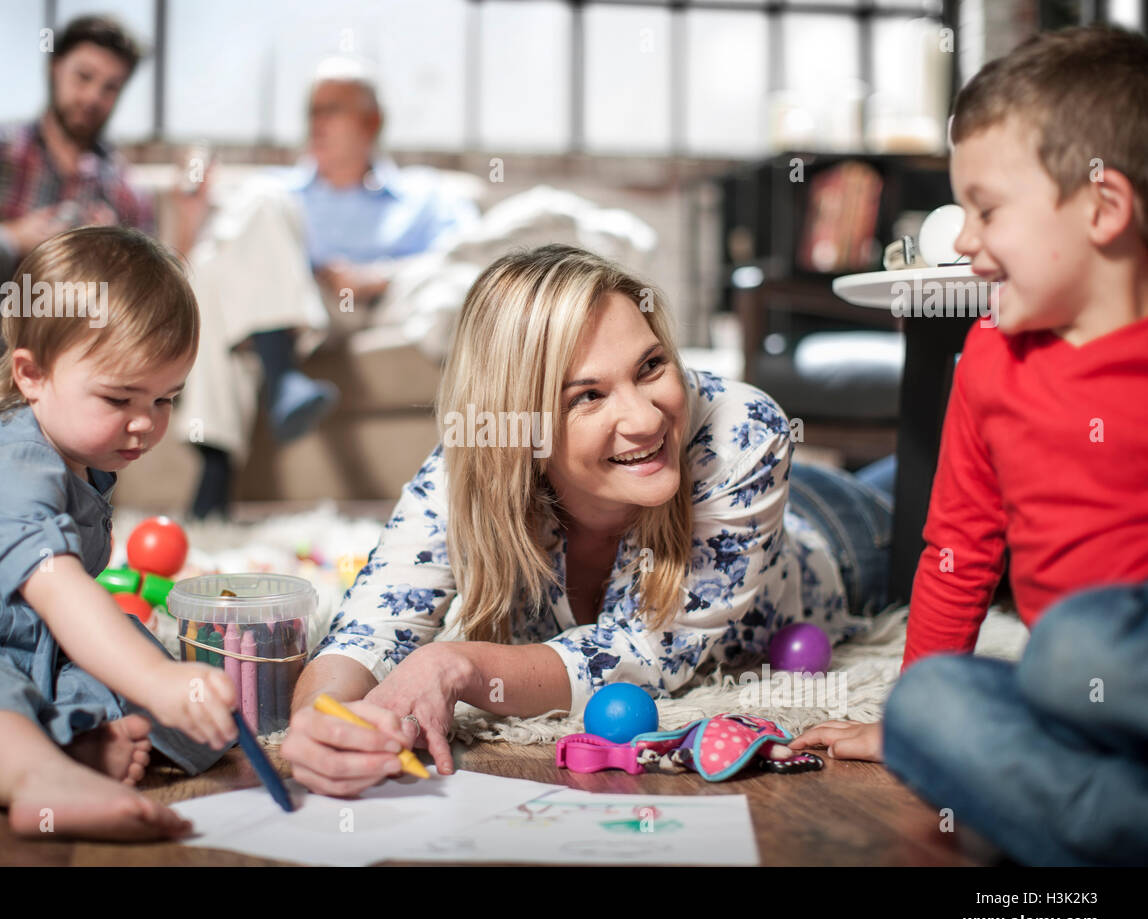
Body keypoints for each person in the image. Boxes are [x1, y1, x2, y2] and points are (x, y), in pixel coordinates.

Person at [279, 244, 895, 797]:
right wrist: (320, 719)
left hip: (838, 530)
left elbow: (646, 654)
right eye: (588, 396)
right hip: (746, 497)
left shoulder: (746, 428)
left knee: (945, 486)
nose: (646, 419)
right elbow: (370, 625)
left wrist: (454, 663)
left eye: (651, 366)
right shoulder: (476, 460)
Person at [789, 26, 1148, 865]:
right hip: (1076, 712)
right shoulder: (989, 361)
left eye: (986, 211)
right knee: (927, 709)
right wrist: (900, 711)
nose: (962, 240)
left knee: (1074, 645)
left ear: (1102, 209)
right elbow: (958, 547)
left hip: (1102, 662)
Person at [0, 227, 236, 841]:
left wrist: (166, 688)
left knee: (161, 702)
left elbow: (69, 617)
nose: (145, 425)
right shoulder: (8, 463)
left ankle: (75, 746)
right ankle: (35, 778)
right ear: (31, 375)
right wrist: (156, 681)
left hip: (15, 634)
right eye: (119, 397)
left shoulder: (85, 455)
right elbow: (59, 590)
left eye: (166, 399)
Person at [179, 55, 478, 518]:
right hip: (303, 305)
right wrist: (192, 217)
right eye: (312, 112)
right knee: (218, 262)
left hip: (390, 304)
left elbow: (471, 252)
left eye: (331, 110)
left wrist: (380, 275)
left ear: (371, 122)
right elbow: (198, 269)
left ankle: (272, 396)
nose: (316, 123)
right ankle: (268, 398)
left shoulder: (425, 195)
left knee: (461, 283)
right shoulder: (277, 192)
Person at [0, 14, 207, 446]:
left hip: (61, 324)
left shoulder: (122, 187)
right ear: (53, 68)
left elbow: (153, 296)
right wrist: (15, 235)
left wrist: (109, 250)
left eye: (110, 87)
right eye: (84, 76)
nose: (93, 96)